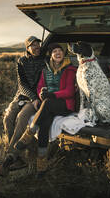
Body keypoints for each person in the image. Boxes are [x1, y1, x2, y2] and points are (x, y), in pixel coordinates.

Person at [14, 43, 77, 177]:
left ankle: (29, 133)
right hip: (49, 104)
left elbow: (70, 91)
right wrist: (41, 93)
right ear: (51, 55)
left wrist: (52, 95)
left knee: (47, 103)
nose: (58, 53)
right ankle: (42, 164)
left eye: (60, 51)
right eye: (54, 51)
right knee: (44, 124)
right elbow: (40, 86)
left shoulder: (70, 69)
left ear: (64, 54)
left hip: (65, 104)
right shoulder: (45, 69)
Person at [0, 36, 46, 176]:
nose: (37, 47)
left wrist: (35, 98)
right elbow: (22, 84)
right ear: (27, 48)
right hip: (22, 95)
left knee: (21, 118)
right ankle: (18, 159)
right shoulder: (22, 61)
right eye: (33, 45)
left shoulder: (44, 61)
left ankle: (10, 157)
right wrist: (32, 97)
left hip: (35, 98)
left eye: (38, 44)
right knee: (7, 118)